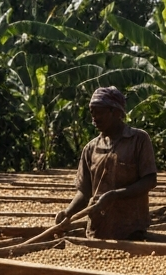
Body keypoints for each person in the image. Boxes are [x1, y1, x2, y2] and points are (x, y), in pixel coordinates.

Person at [55, 87, 158, 241]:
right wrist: (68, 213)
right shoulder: (90, 148)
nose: (94, 118)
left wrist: (115, 195)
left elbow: (150, 180)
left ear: (116, 112)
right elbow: (85, 192)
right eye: (92, 113)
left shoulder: (138, 140)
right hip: (97, 230)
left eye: (99, 112)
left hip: (131, 230)